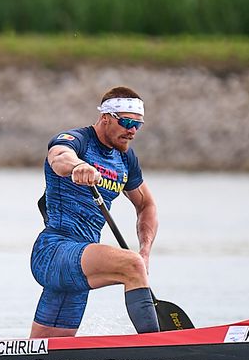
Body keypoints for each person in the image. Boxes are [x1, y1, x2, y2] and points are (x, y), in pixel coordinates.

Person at [29, 86, 159, 338]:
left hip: (81, 260)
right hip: (55, 252)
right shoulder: (77, 141)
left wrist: (145, 251)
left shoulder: (125, 159)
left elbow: (147, 206)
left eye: (138, 125)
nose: (132, 131)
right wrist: (78, 165)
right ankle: (158, 344)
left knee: (47, 352)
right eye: (126, 122)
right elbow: (58, 156)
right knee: (130, 264)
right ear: (105, 118)